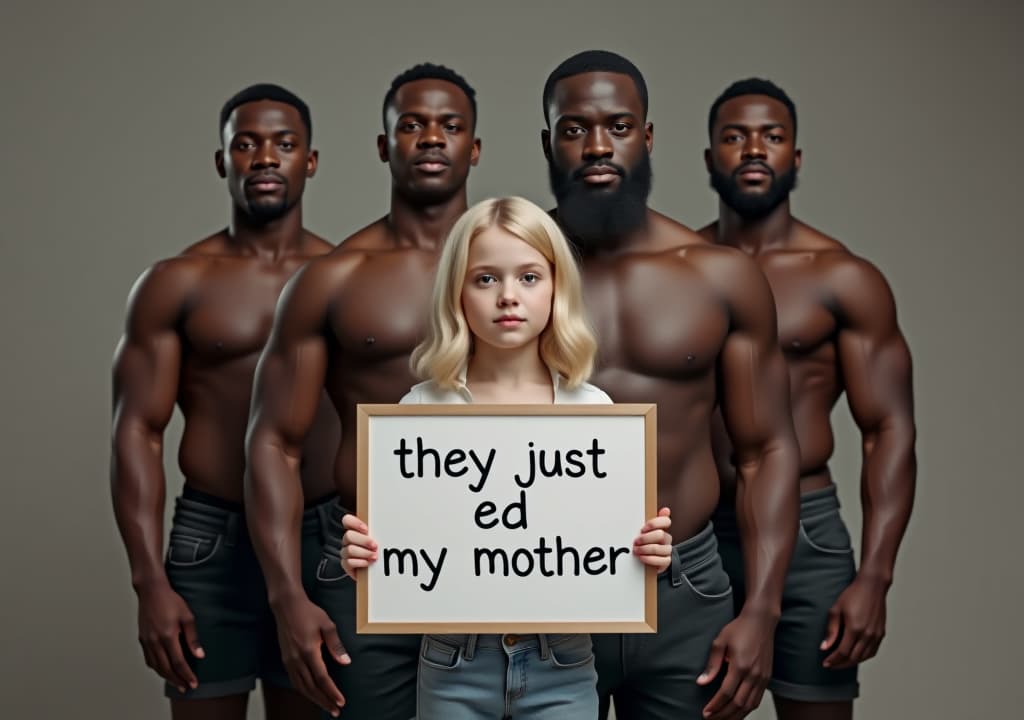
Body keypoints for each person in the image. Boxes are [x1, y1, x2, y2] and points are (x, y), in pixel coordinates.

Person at [339, 195, 674, 719]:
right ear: (458, 292)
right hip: (452, 663)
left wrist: (645, 555)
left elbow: (606, 548)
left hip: (562, 663)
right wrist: (365, 558)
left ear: (557, 288)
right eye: (486, 278)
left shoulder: (596, 412)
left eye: (529, 277)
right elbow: (402, 549)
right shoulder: (419, 409)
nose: (508, 297)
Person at [541, 50, 802, 720]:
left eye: (619, 126)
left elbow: (766, 449)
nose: (598, 146)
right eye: (574, 130)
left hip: (683, 587)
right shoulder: (510, 275)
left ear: (647, 137)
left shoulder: (718, 277)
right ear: (549, 142)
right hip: (543, 587)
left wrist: (762, 612)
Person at [244, 63, 482, 719]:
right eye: (412, 125)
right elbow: (274, 441)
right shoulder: (334, 279)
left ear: (475, 147)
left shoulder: (524, 270)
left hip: (502, 561)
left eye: (450, 125)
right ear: (384, 145)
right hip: (370, 566)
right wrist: (288, 597)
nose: (431, 138)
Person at [110, 83, 337, 719]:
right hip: (212, 538)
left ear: (310, 161)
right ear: (223, 161)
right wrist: (149, 581)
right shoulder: (176, 283)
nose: (266, 157)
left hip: (319, 534)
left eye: (284, 144)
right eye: (247, 143)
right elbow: (137, 431)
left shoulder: (341, 277)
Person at [699, 78, 916, 720]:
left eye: (772, 136)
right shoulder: (679, 270)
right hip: (694, 535)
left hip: (807, 530)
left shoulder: (841, 277)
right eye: (734, 137)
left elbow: (888, 430)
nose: (753, 150)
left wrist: (875, 575)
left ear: (796, 156)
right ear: (710, 157)